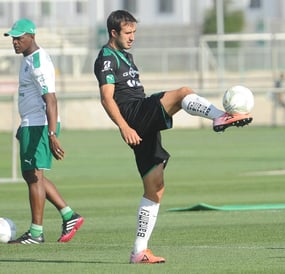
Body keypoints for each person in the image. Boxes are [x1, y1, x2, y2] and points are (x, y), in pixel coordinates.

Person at [94, 10, 252, 264]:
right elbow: (106, 98)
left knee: (155, 188)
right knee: (182, 93)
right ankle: (220, 116)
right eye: (127, 33)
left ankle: (139, 251)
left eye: (134, 32)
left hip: (141, 121)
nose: (133, 37)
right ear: (113, 33)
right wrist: (124, 126)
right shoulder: (106, 58)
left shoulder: (126, 56)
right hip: (134, 115)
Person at [4, 19, 84, 244]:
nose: (15, 42)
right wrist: (24, 124)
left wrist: (51, 134)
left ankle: (36, 233)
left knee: (34, 177)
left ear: (32, 36)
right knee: (32, 175)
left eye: (19, 38)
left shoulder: (39, 62)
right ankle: (69, 215)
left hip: (40, 125)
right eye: (13, 38)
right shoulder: (28, 59)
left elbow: (51, 100)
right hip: (32, 123)